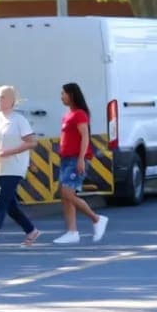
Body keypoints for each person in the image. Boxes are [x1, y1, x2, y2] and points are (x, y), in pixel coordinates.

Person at [0, 86, 42, 250]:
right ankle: (31, 230)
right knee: (9, 204)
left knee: (0, 201)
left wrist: (10, 151)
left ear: (12, 100)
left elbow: (32, 142)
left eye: (3, 97)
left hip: (15, 166)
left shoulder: (19, 120)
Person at [53, 82, 109, 244]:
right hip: (65, 159)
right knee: (65, 197)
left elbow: (85, 137)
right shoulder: (67, 115)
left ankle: (96, 219)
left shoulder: (80, 114)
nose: (61, 96)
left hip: (76, 159)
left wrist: (81, 159)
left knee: (68, 193)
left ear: (72, 95)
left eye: (63, 93)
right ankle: (72, 232)